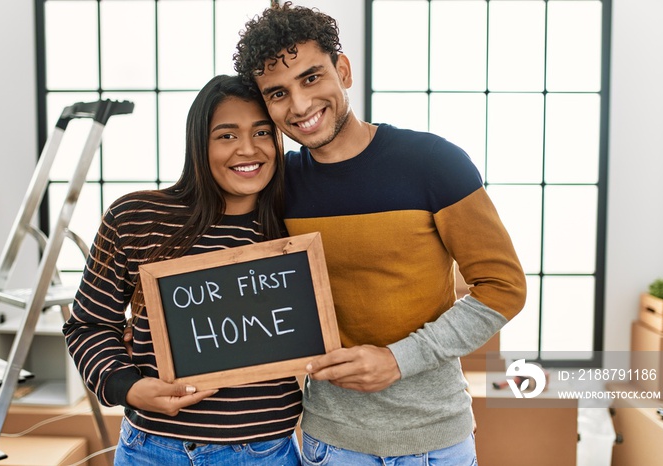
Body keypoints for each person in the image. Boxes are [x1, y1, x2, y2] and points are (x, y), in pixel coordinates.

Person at [233, 3, 527, 465]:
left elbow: (504, 288)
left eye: (311, 78)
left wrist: (398, 359)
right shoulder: (276, 188)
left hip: (437, 441)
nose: (301, 105)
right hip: (331, 443)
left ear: (343, 70)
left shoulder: (434, 162)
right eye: (277, 93)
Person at [62, 74, 303, 466]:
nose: (248, 149)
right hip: (151, 449)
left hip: (264, 453)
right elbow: (87, 326)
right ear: (198, 144)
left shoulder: (296, 227)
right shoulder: (135, 218)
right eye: (226, 135)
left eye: (262, 132)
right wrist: (130, 387)